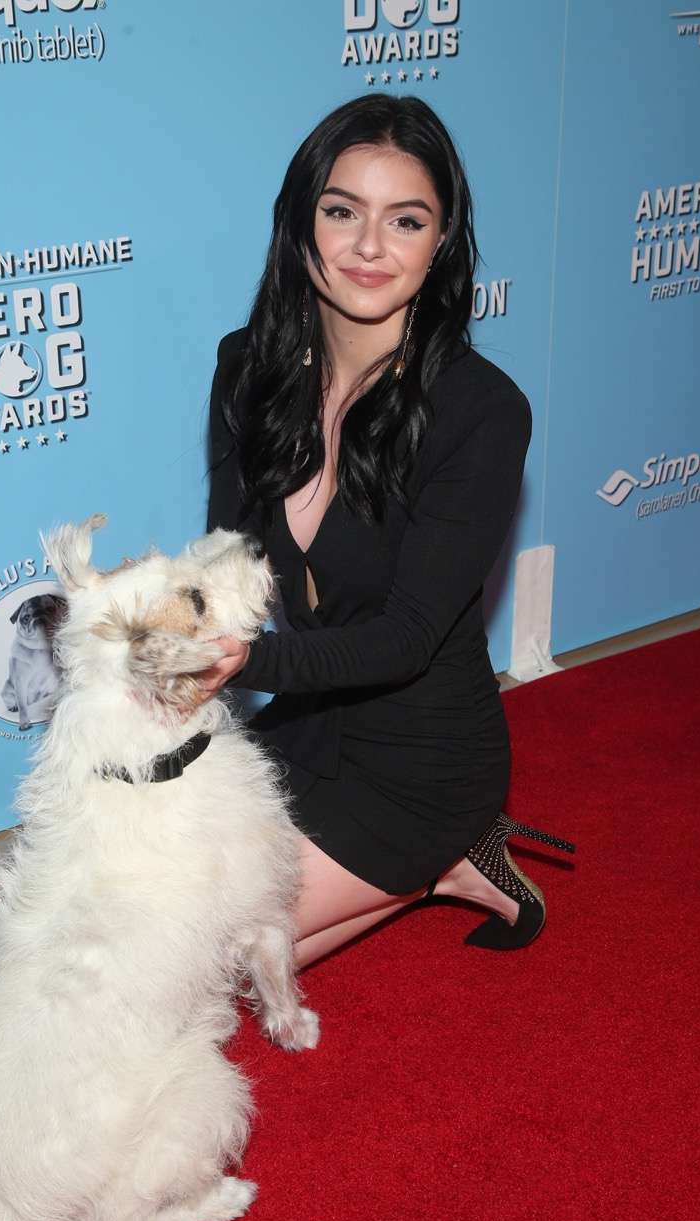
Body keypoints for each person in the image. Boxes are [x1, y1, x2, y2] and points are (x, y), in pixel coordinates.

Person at [199, 95, 574, 971]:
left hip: (424, 761)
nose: (369, 247)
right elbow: (229, 559)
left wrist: (242, 661)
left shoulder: (480, 411)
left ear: (439, 243)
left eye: (405, 220)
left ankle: (445, 851)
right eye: (342, 212)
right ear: (300, 222)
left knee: (212, 958)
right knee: (155, 910)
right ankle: (441, 871)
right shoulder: (246, 366)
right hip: (305, 724)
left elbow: (404, 638)